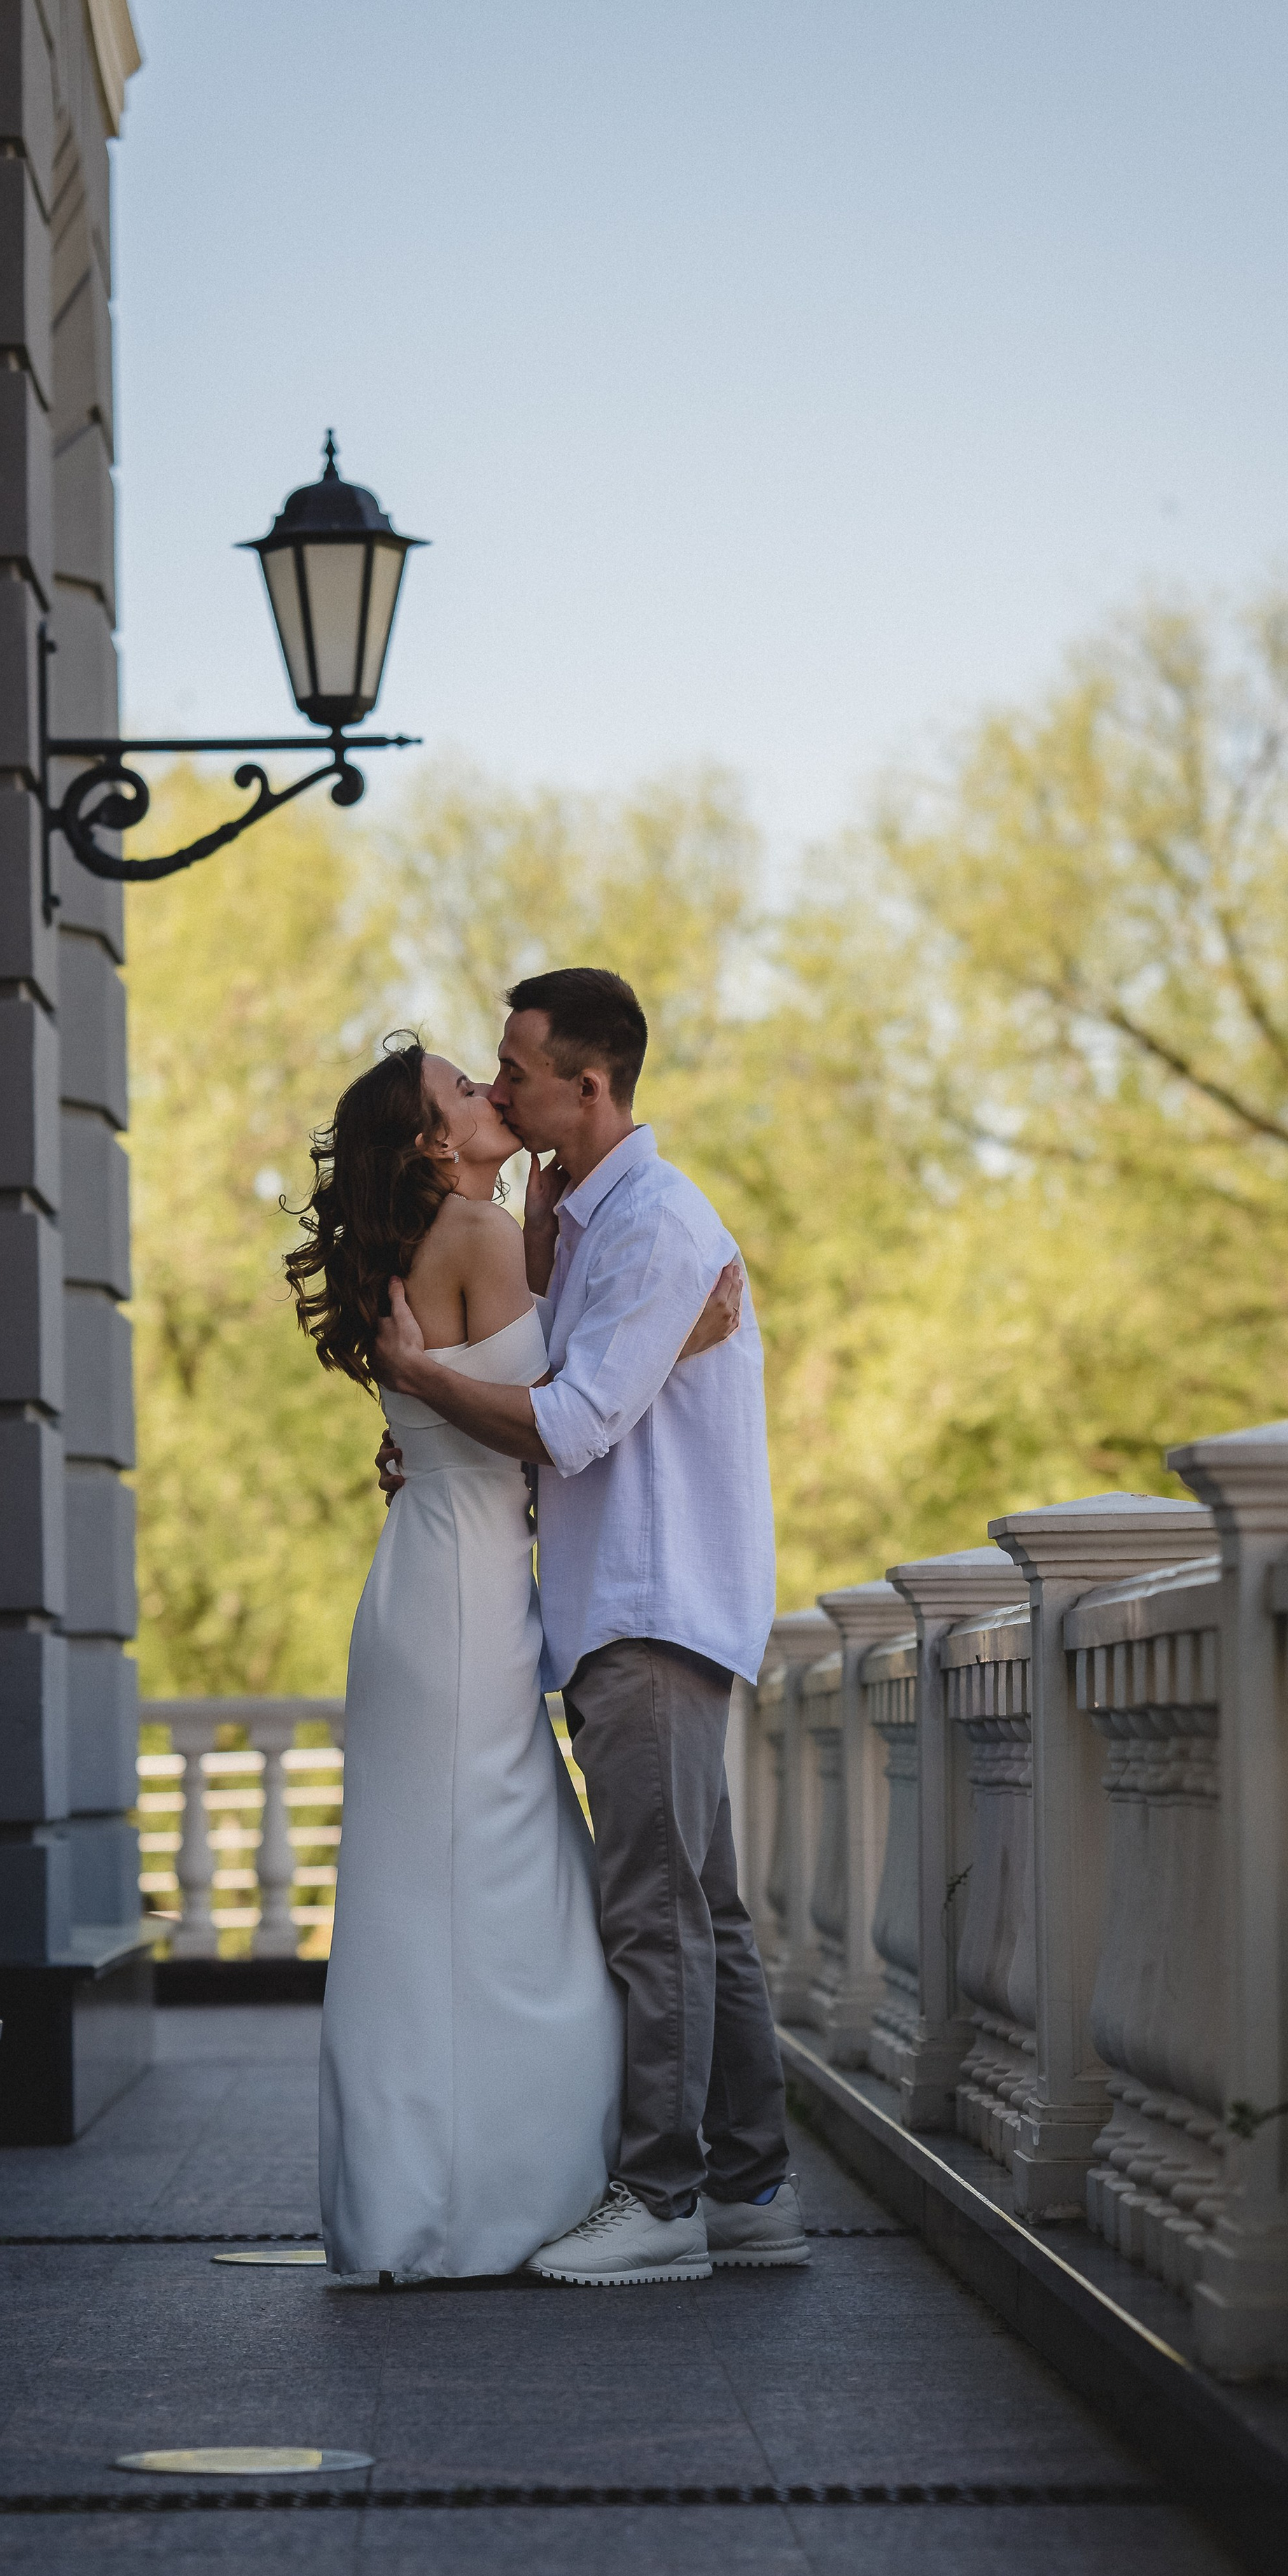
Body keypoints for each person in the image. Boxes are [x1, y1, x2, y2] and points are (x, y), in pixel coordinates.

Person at [372, 969, 806, 2286]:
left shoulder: (660, 1227)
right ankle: (752, 2184)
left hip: (651, 1606)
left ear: (589, 1083)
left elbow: (569, 1422)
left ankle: (662, 2192)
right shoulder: (593, 1221)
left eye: (516, 1066)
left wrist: (421, 1379)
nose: (500, 1086)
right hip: (624, 1602)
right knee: (702, 1909)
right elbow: (559, 1387)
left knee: (653, 1912)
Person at [284, 1035, 738, 2280]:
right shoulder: (476, 1237)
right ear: (434, 1140)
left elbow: (480, 1410)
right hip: (469, 1600)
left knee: (454, 1885)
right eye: (463, 1090)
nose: (492, 1093)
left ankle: (422, 2194)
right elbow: (572, 1409)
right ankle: (508, 2191)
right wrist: (687, 1332)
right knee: (499, 1883)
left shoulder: (455, 1237)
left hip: (432, 1580)